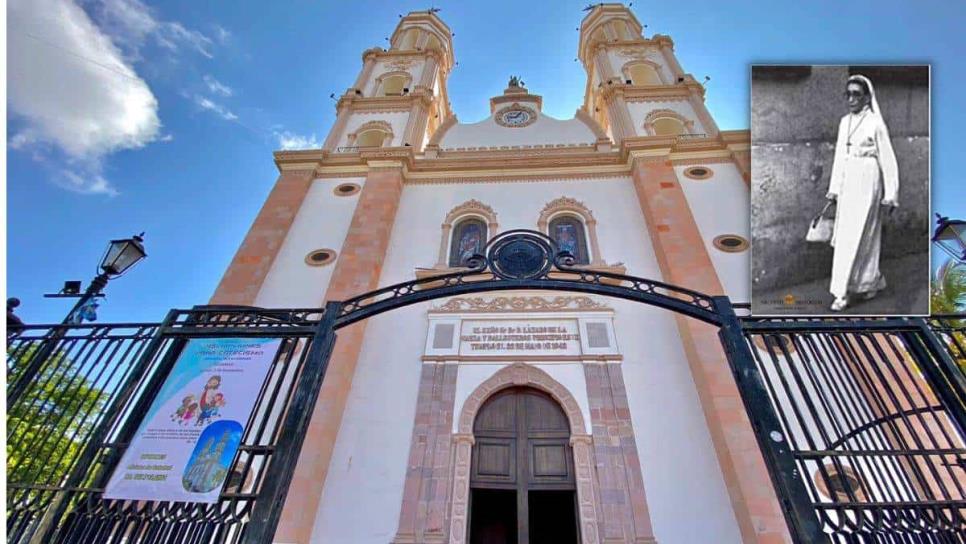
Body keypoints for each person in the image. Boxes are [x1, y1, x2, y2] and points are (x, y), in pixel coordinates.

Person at [825, 74, 899, 312]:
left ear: (867, 97)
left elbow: (887, 158)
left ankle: (842, 293)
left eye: (856, 94)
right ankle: (868, 283)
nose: (851, 99)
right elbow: (839, 156)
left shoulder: (875, 123)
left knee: (862, 235)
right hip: (849, 182)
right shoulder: (844, 122)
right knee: (847, 237)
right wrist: (834, 189)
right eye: (848, 94)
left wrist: (891, 194)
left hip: (868, 180)